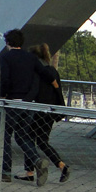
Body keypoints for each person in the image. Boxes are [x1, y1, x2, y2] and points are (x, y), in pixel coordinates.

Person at [0, 28, 54, 186]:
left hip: (12, 102)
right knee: (22, 136)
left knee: (5, 137)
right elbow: (46, 74)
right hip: (28, 104)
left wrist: (3, 95)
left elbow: (5, 79)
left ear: (8, 42)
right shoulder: (31, 58)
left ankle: (5, 172)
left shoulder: (6, 57)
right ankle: (36, 161)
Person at [30, 43, 71, 183]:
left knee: (27, 137)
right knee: (42, 141)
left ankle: (32, 168)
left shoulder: (38, 72)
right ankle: (61, 165)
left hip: (38, 109)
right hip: (50, 110)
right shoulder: (53, 71)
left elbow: (34, 90)